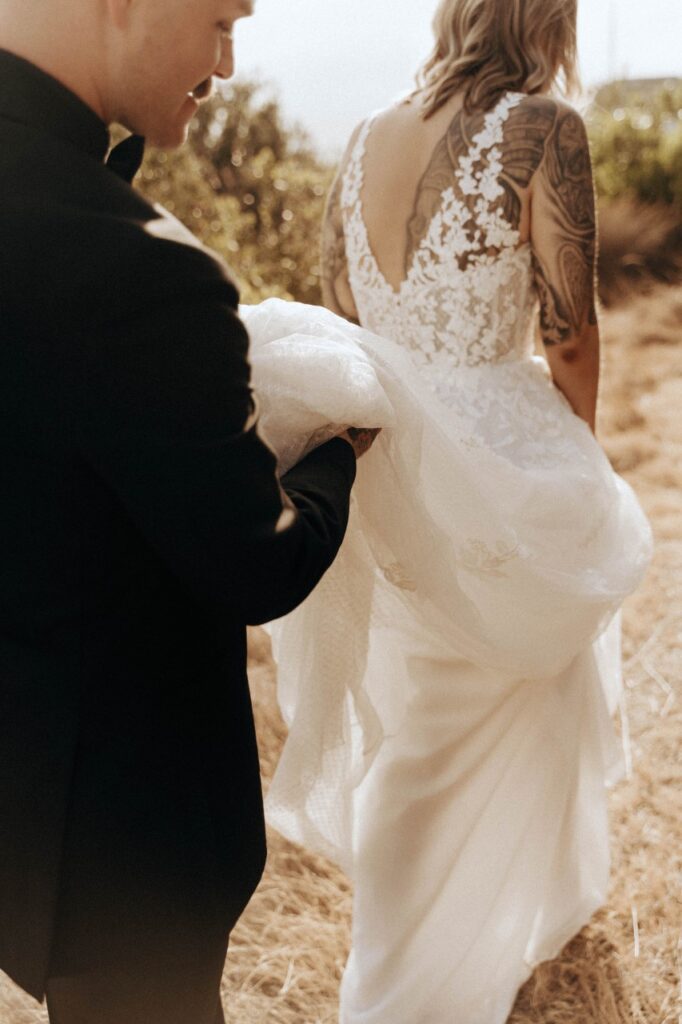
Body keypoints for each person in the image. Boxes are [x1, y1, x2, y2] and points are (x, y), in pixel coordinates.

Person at [242, 0, 653, 1021]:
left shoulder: (363, 134)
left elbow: (341, 306)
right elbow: (568, 326)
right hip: (501, 459)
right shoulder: (541, 128)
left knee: (411, 726)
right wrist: (577, 458)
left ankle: (417, 953)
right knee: (500, 696)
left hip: (387, 460)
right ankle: (442, 971)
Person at [0, 2, 377, 1022]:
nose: (224, 62)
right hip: (127, 847)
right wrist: (336, 459)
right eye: (218, 18)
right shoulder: (138, 265)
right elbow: (259, 563)